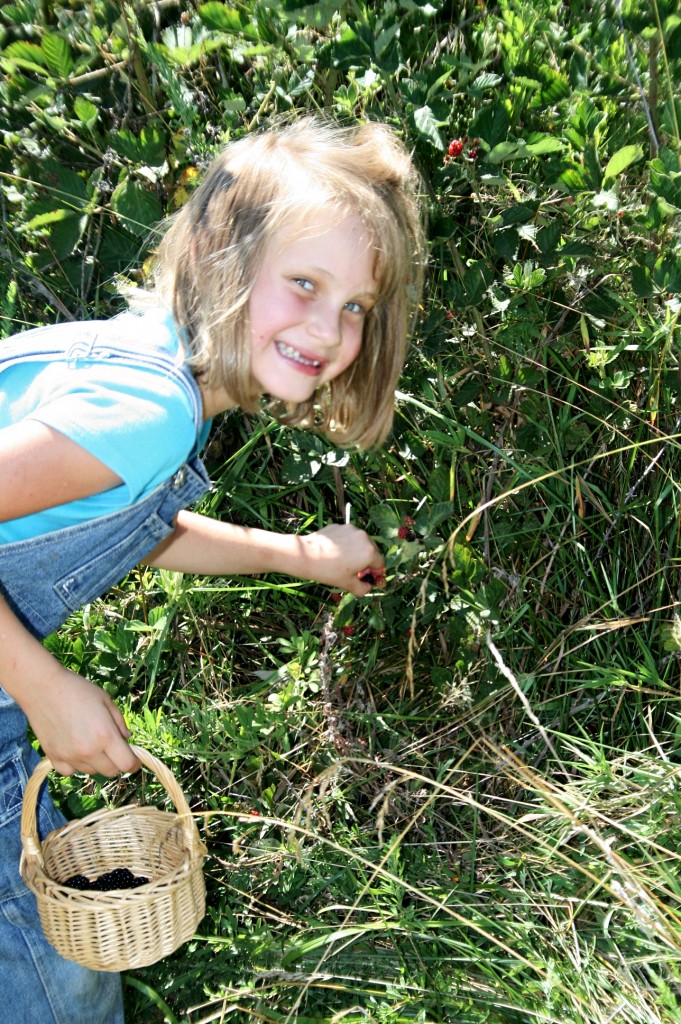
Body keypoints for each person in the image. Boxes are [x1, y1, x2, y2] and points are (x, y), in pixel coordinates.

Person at [0, 116, 426, 1023]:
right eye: (304, 284)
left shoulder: (156, 370)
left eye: (355, 305)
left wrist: (300, 556)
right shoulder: (149, 406)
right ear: (218, 257)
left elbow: (127, 520)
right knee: (55, 991)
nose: (329, 328)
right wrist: (41, 687)